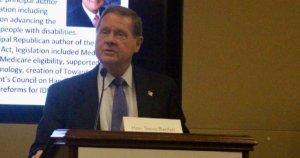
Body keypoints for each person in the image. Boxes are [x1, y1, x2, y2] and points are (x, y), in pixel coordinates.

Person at [29, 6, 189, 158]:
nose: (110, 40)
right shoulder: (63, 93)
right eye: (104, 32)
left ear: (138, 44)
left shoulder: (162, 89)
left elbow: (184, 145)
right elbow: (41, 147)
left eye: (120, 34)